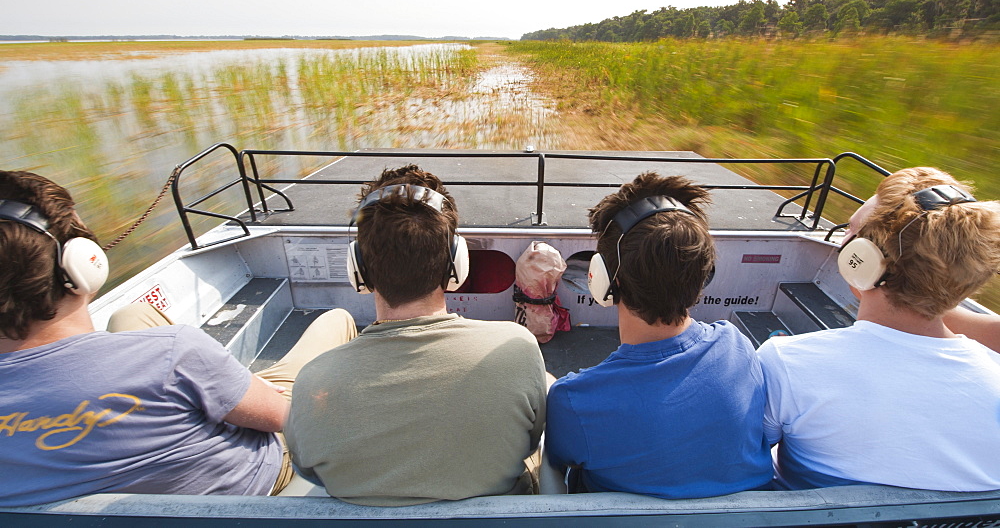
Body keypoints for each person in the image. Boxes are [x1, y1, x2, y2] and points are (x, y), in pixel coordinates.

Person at [0, 170, 357, 507]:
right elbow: (288, 418)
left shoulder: (170, 354)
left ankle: (223, 387)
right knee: (336, 319)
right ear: (81, 263)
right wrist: (236, 389)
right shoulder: (173, 353)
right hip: (253, 480)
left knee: (127, 317)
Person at [285, 164, 547, 506]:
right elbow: (529, 442)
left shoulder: (312, 384)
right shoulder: (518, 350)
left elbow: (308, 471)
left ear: (359, 270)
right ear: (457, 264)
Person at [757, 166, 1000, 491]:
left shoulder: (787, 361)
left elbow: (738, 461)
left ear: (860, 260)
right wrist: (933, 291)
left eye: (851, 231)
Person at [544, 172, 773, 498]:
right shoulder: (736, 345)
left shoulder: (574, 399)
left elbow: (562, 460)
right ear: (703, 276)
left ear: (604, 280)